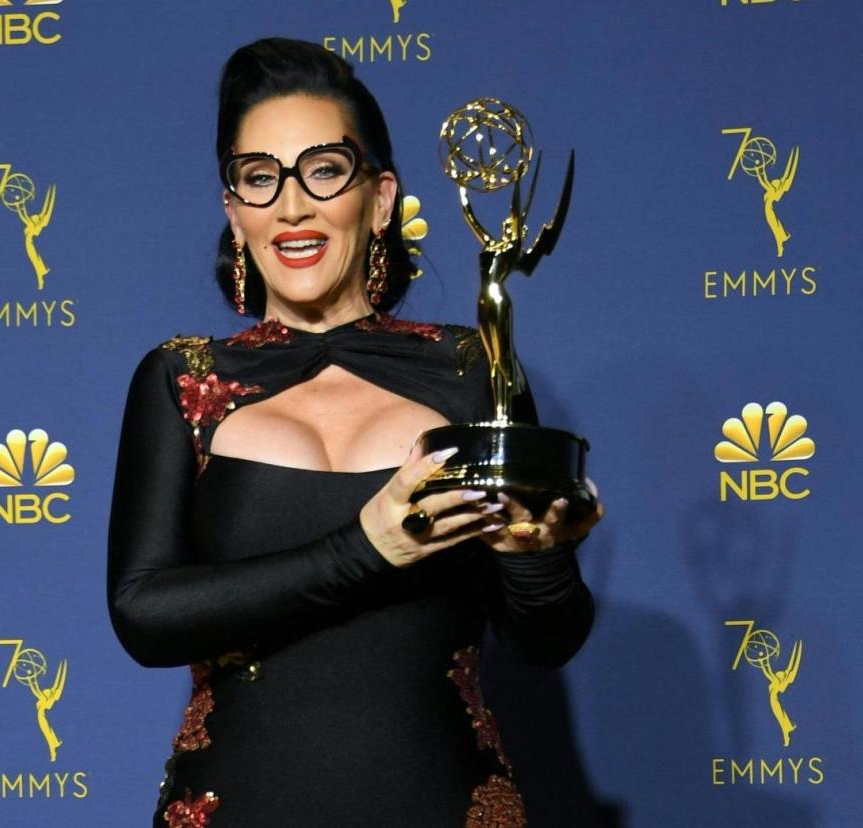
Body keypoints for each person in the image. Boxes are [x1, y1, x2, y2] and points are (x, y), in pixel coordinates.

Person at [107, 37, 602, 828]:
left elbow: (545, 640)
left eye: (324, 170)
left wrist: (535, 558)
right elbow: (143, 612)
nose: (291, 206)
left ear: (378, 199)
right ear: (233, 211)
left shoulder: (471, 367)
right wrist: (369, 549)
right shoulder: (182, 379)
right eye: (259, 178)